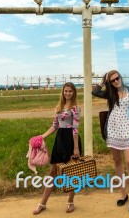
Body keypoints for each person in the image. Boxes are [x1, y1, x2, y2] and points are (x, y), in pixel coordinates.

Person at [92, 70, 129, 212]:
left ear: (121, 78)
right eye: (112, 80)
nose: (116, 81)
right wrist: (102, 81)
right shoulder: (110, 93)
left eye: (117, 78)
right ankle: (123, 194)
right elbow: (95, 92)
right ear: (109, 82)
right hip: (114, 130)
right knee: (117, 162)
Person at [33, 82, 82, 215]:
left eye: (70, 91)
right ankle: (42, 203)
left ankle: (71, 202)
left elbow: (75, 129)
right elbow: (55, 126)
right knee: (52, 173)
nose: (68, 93)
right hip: (60, 141)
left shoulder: (76, 108)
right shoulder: (59, 107)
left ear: (74, 93)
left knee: (73, 172)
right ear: (63, 92)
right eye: (66, 91)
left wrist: (76, 148)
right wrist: (42, 136)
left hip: (72, 141)